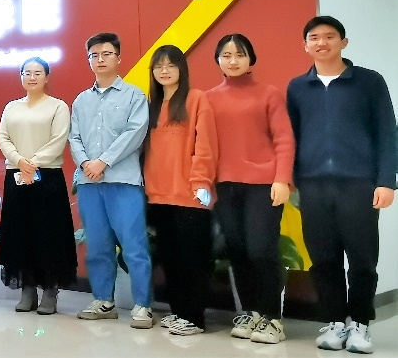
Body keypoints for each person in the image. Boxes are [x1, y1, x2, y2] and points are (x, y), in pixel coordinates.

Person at [287, 16, 396, 354]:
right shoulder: (297, 87)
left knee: (363, 259)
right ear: (305, 45)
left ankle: (360, 324)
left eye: (330, 36)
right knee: (323, 259)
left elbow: (387, 133)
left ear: (343, 42)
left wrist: (386, 181)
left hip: (359, 185)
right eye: (314, 37)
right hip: (313, 186)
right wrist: (290, 179)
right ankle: (335, 321)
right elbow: (290, 137)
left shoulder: (369, 81)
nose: (322, 43)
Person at [207, 33, 295, 344]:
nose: (233, 61)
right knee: (238, 250)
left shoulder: (269, 94)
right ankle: (251, 312)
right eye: (226, 55)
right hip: (225, 185)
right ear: (218, 60)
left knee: (261, 249)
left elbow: (284, 139)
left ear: (250, 59)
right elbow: (204, 146)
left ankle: (272, 318)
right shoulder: (208, 98)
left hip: (263, 185)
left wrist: (282, 179)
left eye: (240, 54)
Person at [69, 33, 154, 329]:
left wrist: (103, 161)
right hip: (90, 184)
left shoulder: (134, 96)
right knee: (97, 245)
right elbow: (74, 137)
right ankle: (104, 301)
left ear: (118, 58)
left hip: (124, 182)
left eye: (106, 54)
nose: (100, 59)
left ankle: (143, 305)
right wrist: (86, 164)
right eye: (94, 55)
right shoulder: (81, 100)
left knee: (134, 245)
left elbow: (135, 133)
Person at [142, 44, 218, 336]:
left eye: (170, 65)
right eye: (158, 66)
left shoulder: (196, 99)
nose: (164, 71)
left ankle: (194, 317)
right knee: (171, 258)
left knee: (192, 259)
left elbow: (206, 145)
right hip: (159, 195)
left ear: (181, 69)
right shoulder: (152, 106)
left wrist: (201, 182)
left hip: (190, 196)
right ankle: (179, 312)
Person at [0, 57, 75, 316]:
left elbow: (58, 140)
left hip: (47, 176)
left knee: (48, 234)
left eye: (37, 73)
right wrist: (20, 161)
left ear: (46, 77)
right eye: (27, 72)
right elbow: (3, 137)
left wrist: (33, 163)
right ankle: (27, 289)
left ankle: (50, 289)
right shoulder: (11, 107)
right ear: (21, 76)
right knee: (20, 233)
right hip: (16, 175)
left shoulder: (58, 106)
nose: (32, 77)